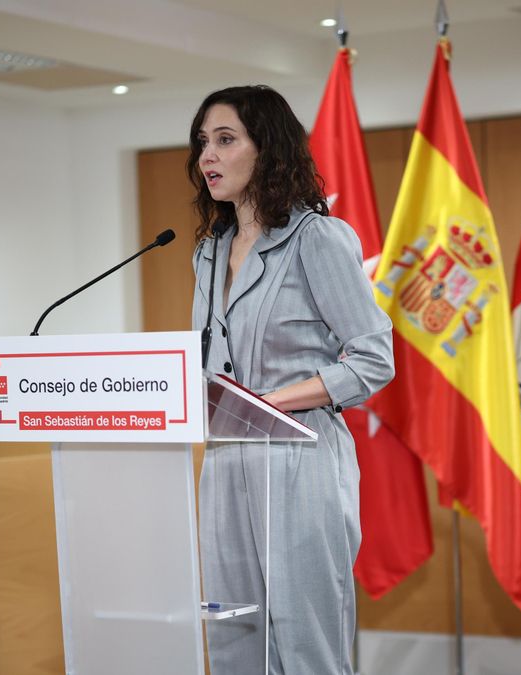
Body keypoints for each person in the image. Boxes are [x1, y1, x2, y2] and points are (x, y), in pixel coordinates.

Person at [188, 85, 394, 675]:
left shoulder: (318, 239)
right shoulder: (208, 252)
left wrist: (267, 401)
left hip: (299, 456)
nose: (209, 156)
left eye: (226, 140)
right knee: (233, 641)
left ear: (267, 150)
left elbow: (373, 359)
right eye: (203, 142)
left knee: (307, 649)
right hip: (226, 460)